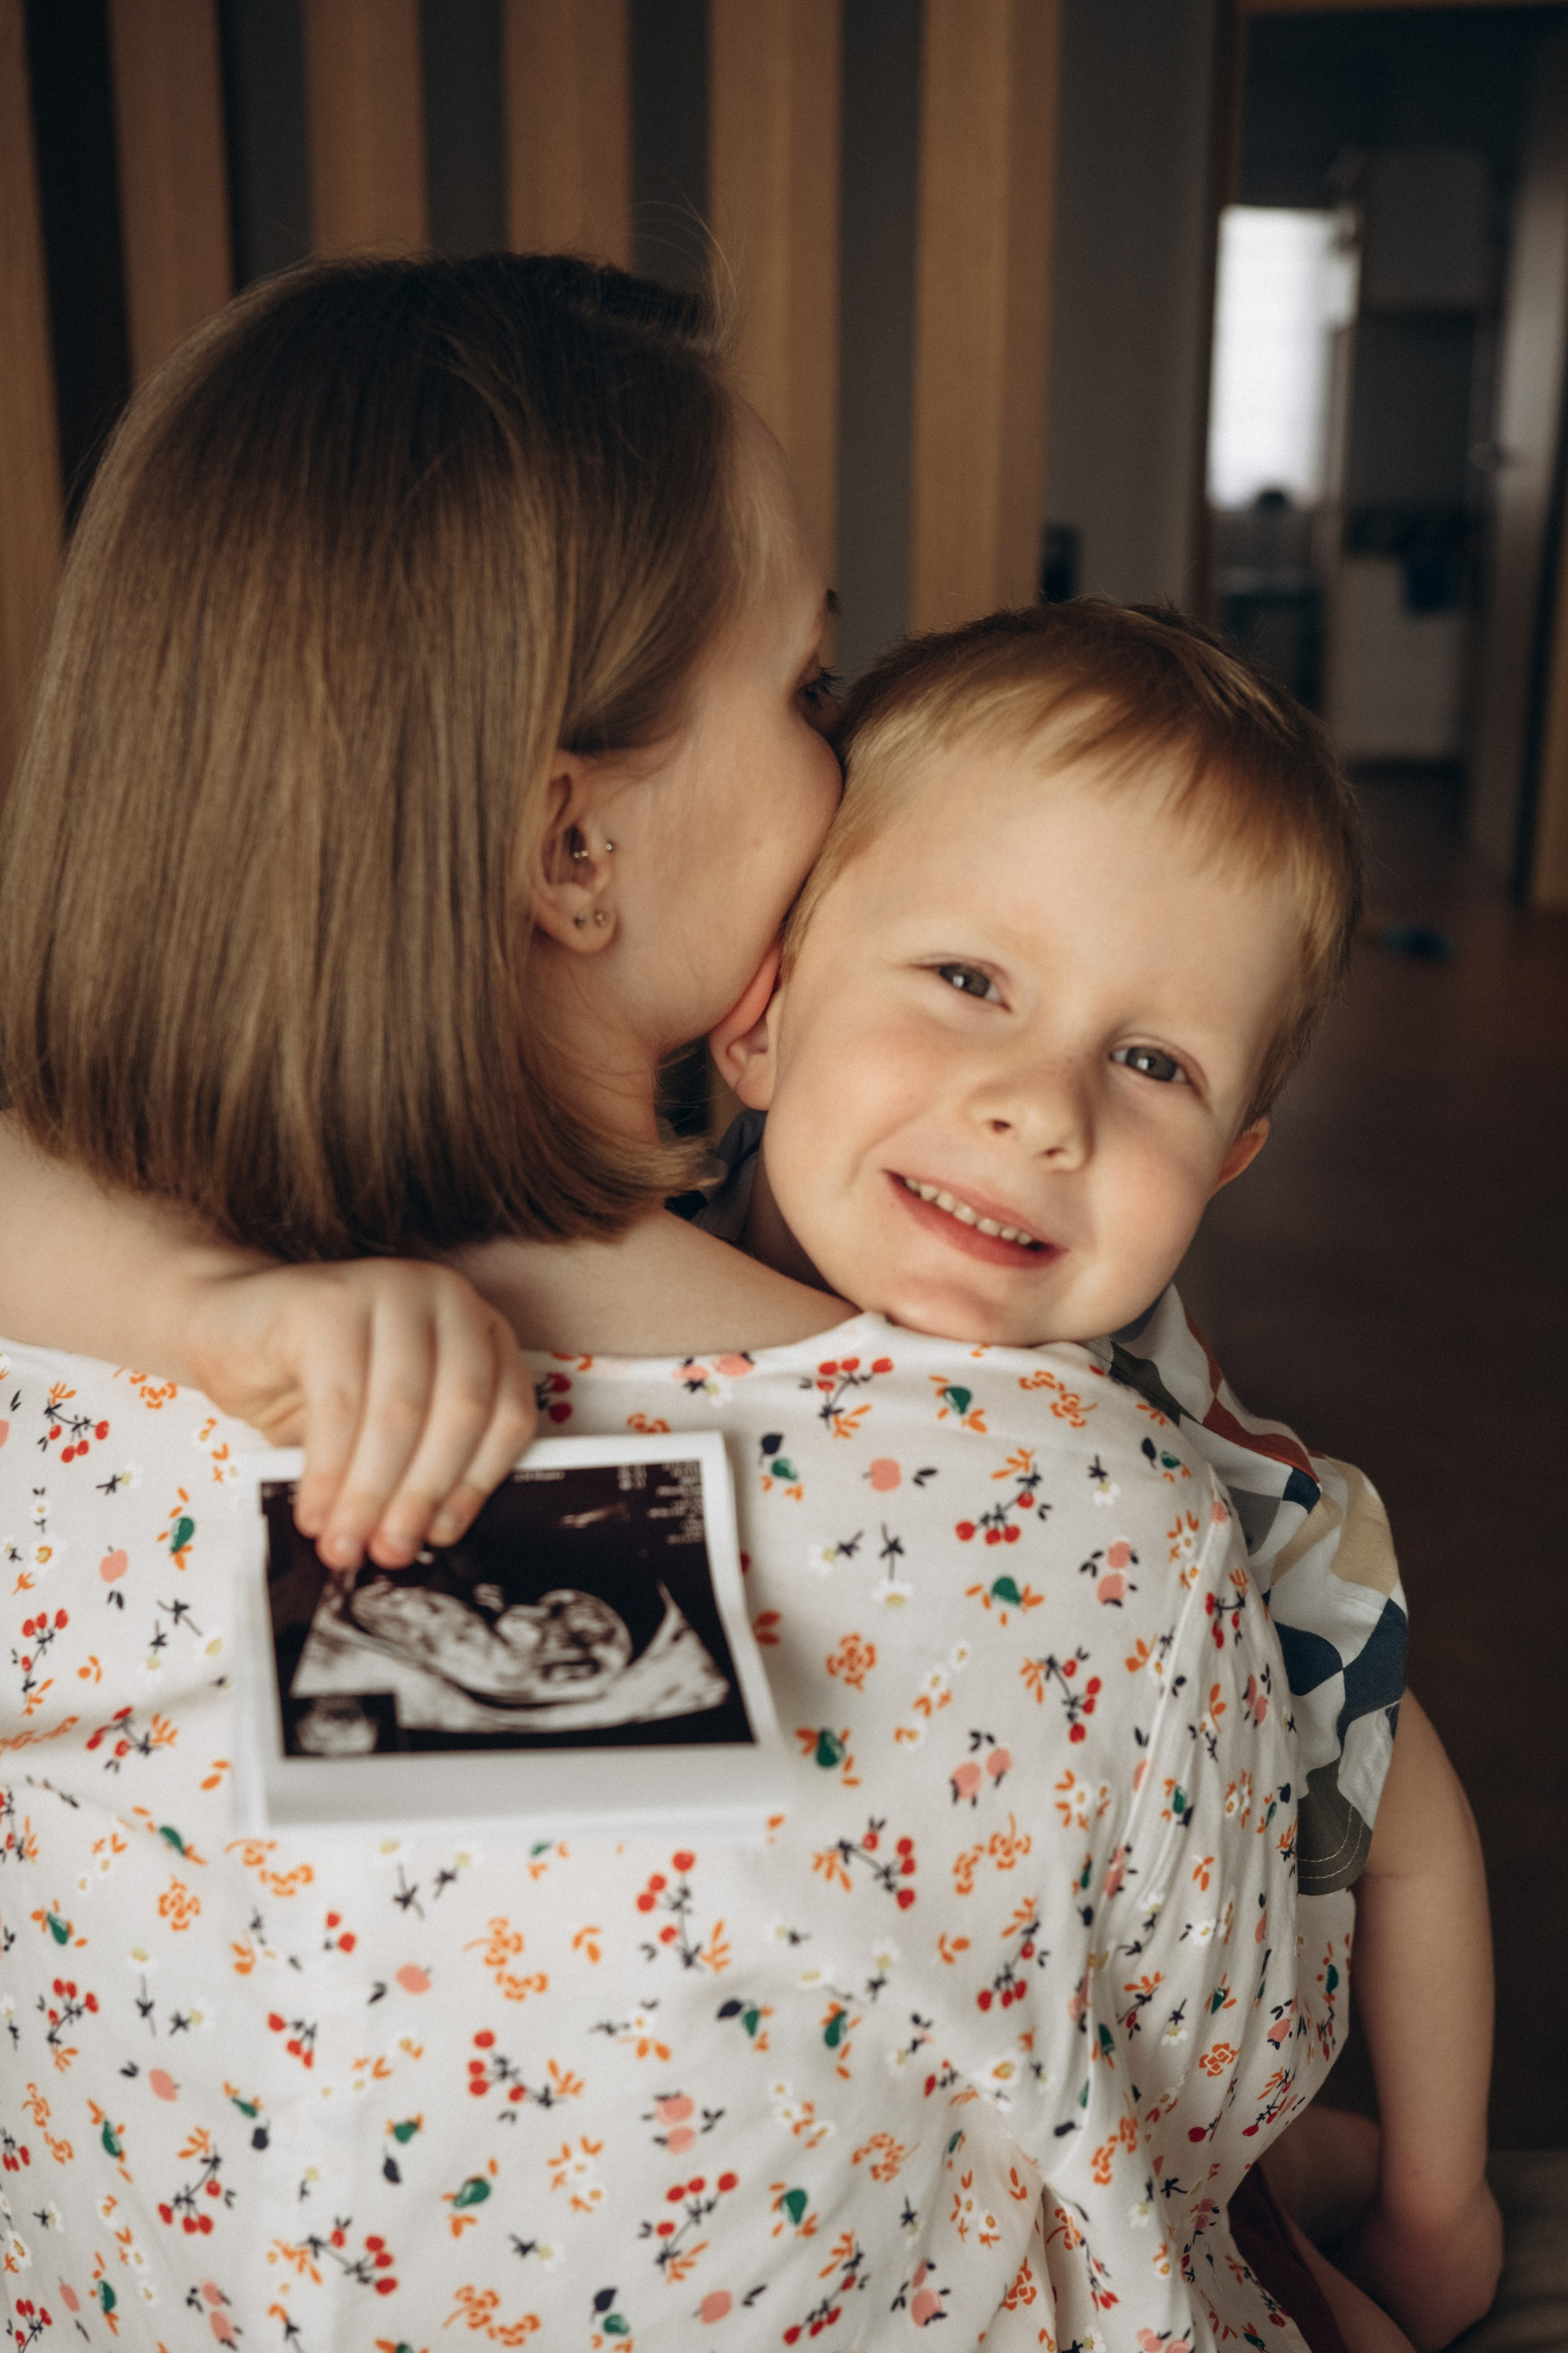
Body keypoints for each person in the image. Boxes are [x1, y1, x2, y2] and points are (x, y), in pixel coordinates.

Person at [0, 254, 1471, 2349]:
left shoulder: (50, 1398)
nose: (843, 751)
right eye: (806, 685)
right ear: (573, 848)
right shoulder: (1067, 1519)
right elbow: (1221, 2077)